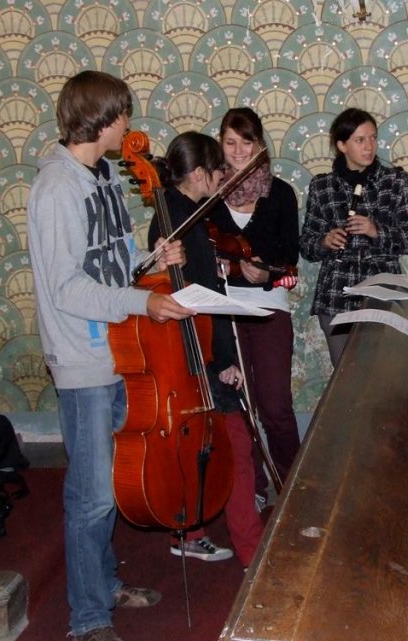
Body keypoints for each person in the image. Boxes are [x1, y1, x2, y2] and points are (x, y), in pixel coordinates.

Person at [27, 71, 192, 641]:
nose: (129, 126)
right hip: (82, 357)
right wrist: (143, 302)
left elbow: (110, 264)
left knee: (109, 487)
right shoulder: (57, 188)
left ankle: (105, 584)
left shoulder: (102, 179)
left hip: (119, 350)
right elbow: (68, 287)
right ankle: (88, 617)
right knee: (90, 495)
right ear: (102, 119)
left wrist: (151, 259)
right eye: (124, 114)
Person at [146, 131, 263, 567]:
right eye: (217, 171)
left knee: (199, 449)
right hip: (198, 353)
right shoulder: (181, 222)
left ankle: (190, 532)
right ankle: (253, 551)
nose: (222, 178)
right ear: (198, 175)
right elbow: (196, 298)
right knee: (235, 451)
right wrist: (225, 361)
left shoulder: (183, 216)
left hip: (192, 351)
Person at [209, 107, 301, 496]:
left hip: (268, 305)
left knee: (275, 405)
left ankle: (293, 485)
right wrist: (216, 266)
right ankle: (255, 488)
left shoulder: (280, 194)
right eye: (229, 142)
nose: (237, 151)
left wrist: (268, 275)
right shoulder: (209, 193)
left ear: (259, 144)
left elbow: (291, 262)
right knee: (239, 405)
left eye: (246, 142)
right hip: (223, 308)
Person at [299, 107, 408, 365]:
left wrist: (376, 231)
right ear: (342, 145)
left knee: (379, 376)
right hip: (336, 296)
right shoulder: (322, 186)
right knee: (345, 377)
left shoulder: (394, 181)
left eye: (373, 138)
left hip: (383, 294)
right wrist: (324, 241)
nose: (369, 146)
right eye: (360, 140)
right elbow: (306, 247)